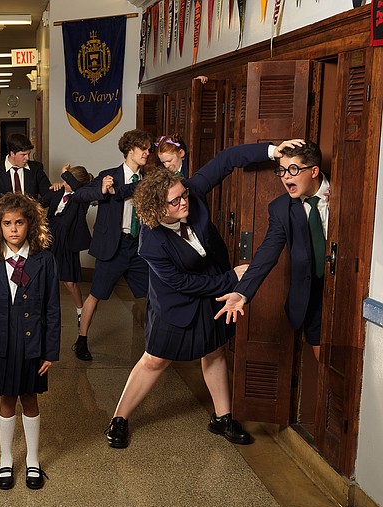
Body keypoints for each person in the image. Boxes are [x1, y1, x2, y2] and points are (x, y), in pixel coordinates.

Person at [104, 139, 302, 450]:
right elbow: (181, 283)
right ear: (156, 209)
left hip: (213, 291)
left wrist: (274, 151)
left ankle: (222, 418)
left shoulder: (189, 193)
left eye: (183, 194)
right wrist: (230, 279)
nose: (185, 202)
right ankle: (120, 419)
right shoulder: (151, 243)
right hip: (176, 303)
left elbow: (227, 157)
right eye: (175, 201)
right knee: (154, 361)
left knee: (215, 352)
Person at [215, 140, 325, 360]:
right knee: (328, 371)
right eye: (282, 170)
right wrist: (241, 292)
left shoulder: (346, 192)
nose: (286, 176)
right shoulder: (281, 208)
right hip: (312, 299)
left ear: (314, 171)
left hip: (347, 296)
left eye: (293, 169)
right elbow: (267, 253)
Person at [0, 193, 60, 491]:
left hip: (32, 343)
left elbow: (52, 307)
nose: (13, 229)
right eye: (7, 223)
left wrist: (49, 350)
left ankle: (33, 461)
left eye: (19, 223)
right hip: (2, 342)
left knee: (30, 399)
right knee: (5, 400)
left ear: (31, 224)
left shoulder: (44, 260)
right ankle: (4, 459)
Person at [71, 129, 152, 361]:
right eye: (143, 148)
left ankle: (155, 344)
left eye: (148, 149)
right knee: (95, 296)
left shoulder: (148, 180)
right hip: (112, 248)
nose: (147, 153)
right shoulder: (109, 176)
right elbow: (79, 195)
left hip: (139, 248)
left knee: (150, 298)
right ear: (130, 150)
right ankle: (81, 340)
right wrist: (101, 190)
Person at [40, 165, 93, 326]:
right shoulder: (57, 191)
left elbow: (76, 188)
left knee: (69, 282)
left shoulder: (82, 197)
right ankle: (42, 310)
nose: (64, 182)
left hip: (67, 240)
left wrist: (65, 174)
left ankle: (80, 311)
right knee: (45, 275)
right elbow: (40, 203)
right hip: (51, 235)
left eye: (67, 180)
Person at [0, 133, 51, 200]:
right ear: (12, 153)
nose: (27, 158)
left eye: (28, 154)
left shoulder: (36, 168)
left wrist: (36, 208)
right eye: (23, 155)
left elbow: (48, 195)